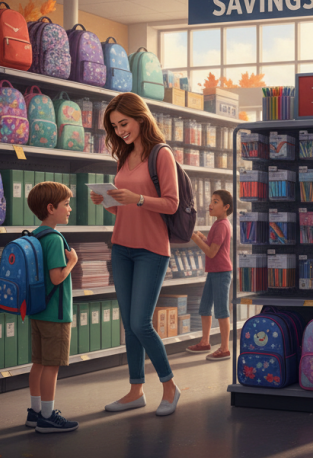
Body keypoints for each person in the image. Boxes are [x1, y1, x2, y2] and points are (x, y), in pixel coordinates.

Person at [90, 92, 182, 416]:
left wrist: (138, 198)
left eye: (123, 123)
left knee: (142, 323)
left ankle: (170, 386)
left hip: (151, 250)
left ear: (140, 118)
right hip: (122, 246)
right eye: (114, 127)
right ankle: (135, 390)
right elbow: (126, 210)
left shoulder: (162, 155)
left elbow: (171, 203)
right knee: (128, 325)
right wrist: (110, 203)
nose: (120, 131)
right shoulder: (123, 157)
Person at [25, 181, 79, 434]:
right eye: (66, 204)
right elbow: (57, 277)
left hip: (37, 310)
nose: (69, 209)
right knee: (52, 366)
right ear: (50, 207)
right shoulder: (55, 239)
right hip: (55, 313)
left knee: (38, 362)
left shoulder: (35, 235)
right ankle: (48, 416)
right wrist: (73, 263)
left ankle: (34, 413)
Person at [187, 190, 234, 361]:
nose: (210, 205)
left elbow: (212, 252)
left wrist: (195, 238)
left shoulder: (222, 225)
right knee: (204, 308)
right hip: (214, 272)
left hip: (221, 273)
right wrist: (202, 237)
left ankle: (225, 348)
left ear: (226, 207)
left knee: (221, 311)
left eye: (215, 202)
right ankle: (205, 342)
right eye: (211, 201)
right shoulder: (218, 223)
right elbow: (213, 245)